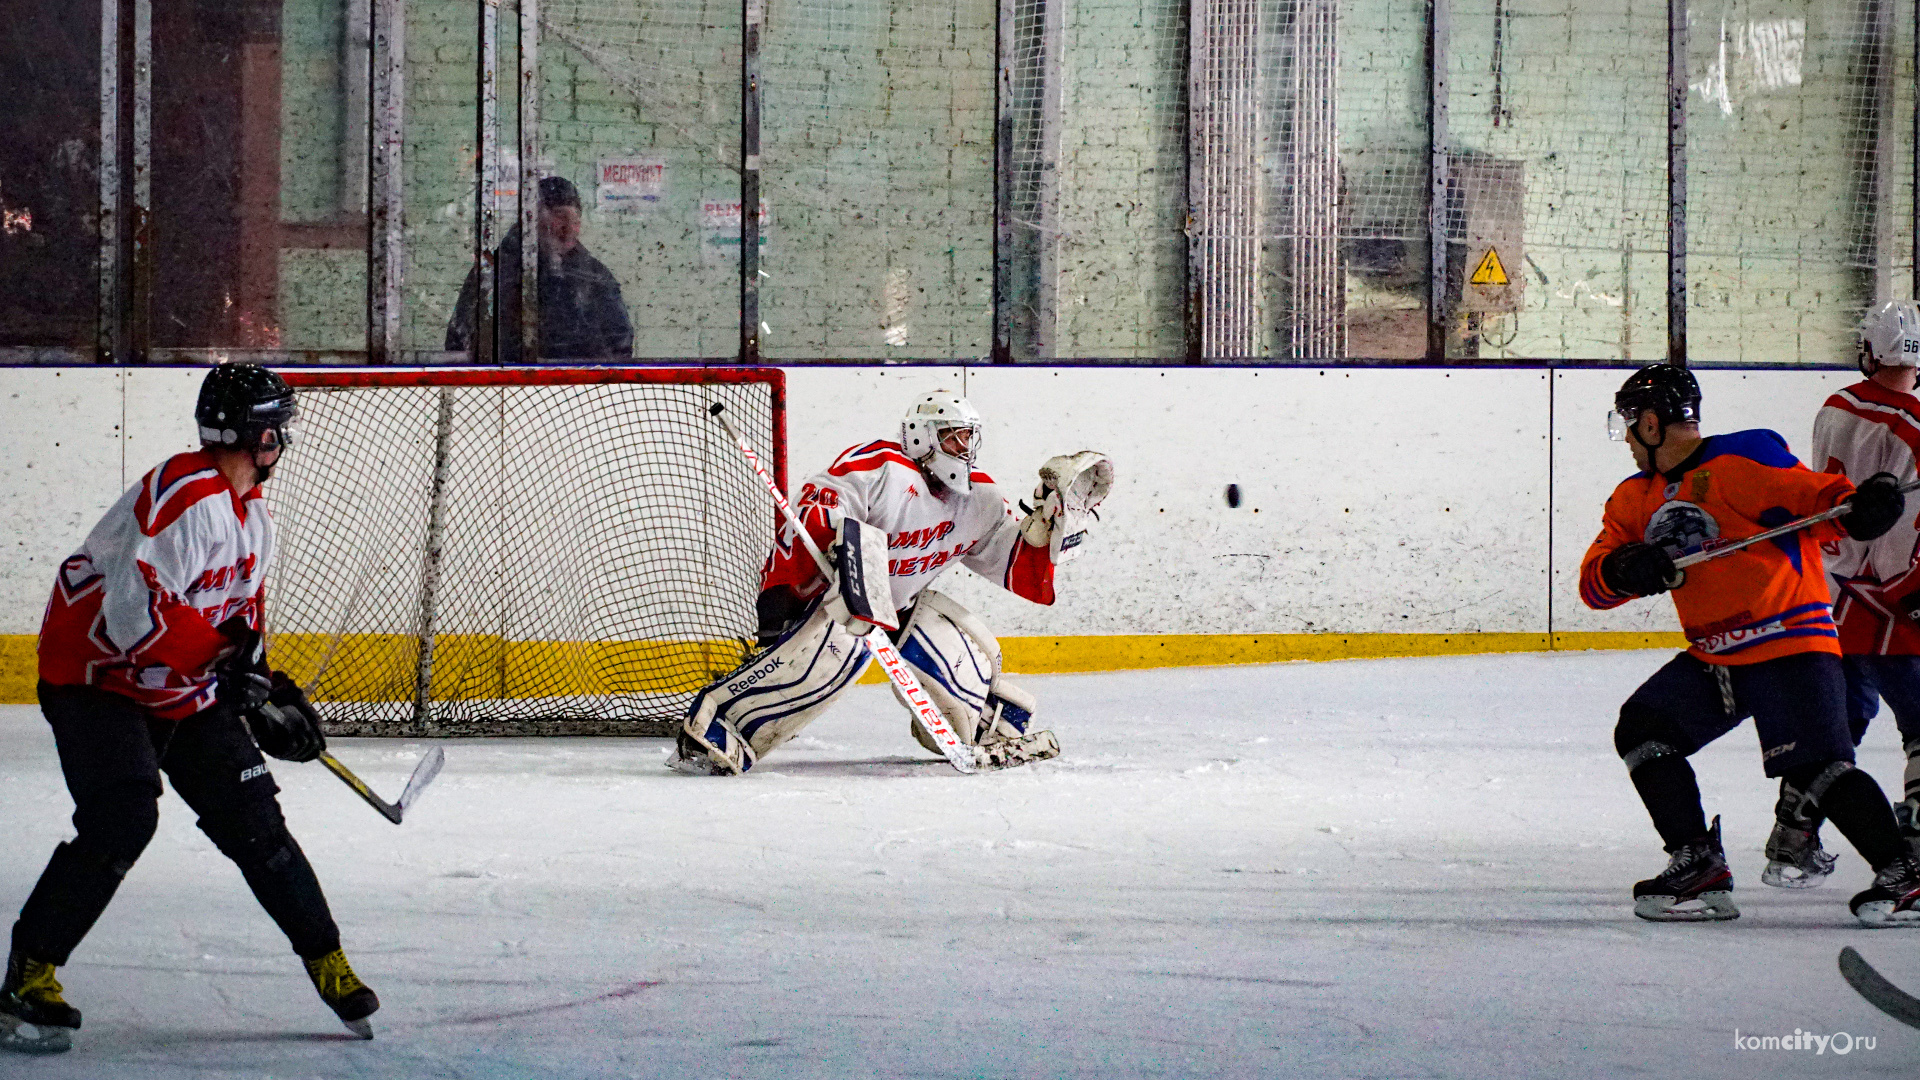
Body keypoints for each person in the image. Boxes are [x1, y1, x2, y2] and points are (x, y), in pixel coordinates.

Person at [0, 365, 376, 1054]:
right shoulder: (185, 494)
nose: (283, 442)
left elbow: (235, 621)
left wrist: (265, 685)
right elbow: (129, 614)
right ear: (259, 433)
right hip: (98, 682)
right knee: (123, 816)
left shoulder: (251, 517)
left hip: (178, 685)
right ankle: (29, 975)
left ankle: (328, 959)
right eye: (278, 429)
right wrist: (220, 663)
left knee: (256, 822)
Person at [1580, 363, 1920, 925]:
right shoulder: (1634, 500)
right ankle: (1697, 862)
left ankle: (1905, 875)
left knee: (1817, 767)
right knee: (1644, 728)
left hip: (1790, 644)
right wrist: (1622, 568)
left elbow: (1825, 505)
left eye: (1628, 424)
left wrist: (1866, 506)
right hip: (1718, 655)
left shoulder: (1742, 461)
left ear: (1648, 423)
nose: (1628, 440)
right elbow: (1594, 585)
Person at [670, 390, 1113, 775]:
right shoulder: (879, 466)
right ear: (921, 436)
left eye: (968, 437)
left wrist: (1045, 529)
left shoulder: (980, 499)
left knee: (957, 653)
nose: (962, 448)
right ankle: (717, 729)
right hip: (822, 599)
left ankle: (983, 722)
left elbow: (1021, 570)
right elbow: (815, 513)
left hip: (895, 607)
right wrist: (825, 555)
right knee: (836, 651)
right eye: (952, 436)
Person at [1768, 300, 1920, 888]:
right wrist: (1910, 597)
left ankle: (1792, 836)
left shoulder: (1835, 407)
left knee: (1839, 726)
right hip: (1884, 604)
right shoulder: (1912, 426)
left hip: (1826, 593)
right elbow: (1899, 543)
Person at [445, 175, 634, 363]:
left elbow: (619, 344)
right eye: (561, 216)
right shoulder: (494, 272)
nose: (568, 228)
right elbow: (460, 342)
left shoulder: (594, 275)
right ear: (532, 219)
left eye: (576, 220)